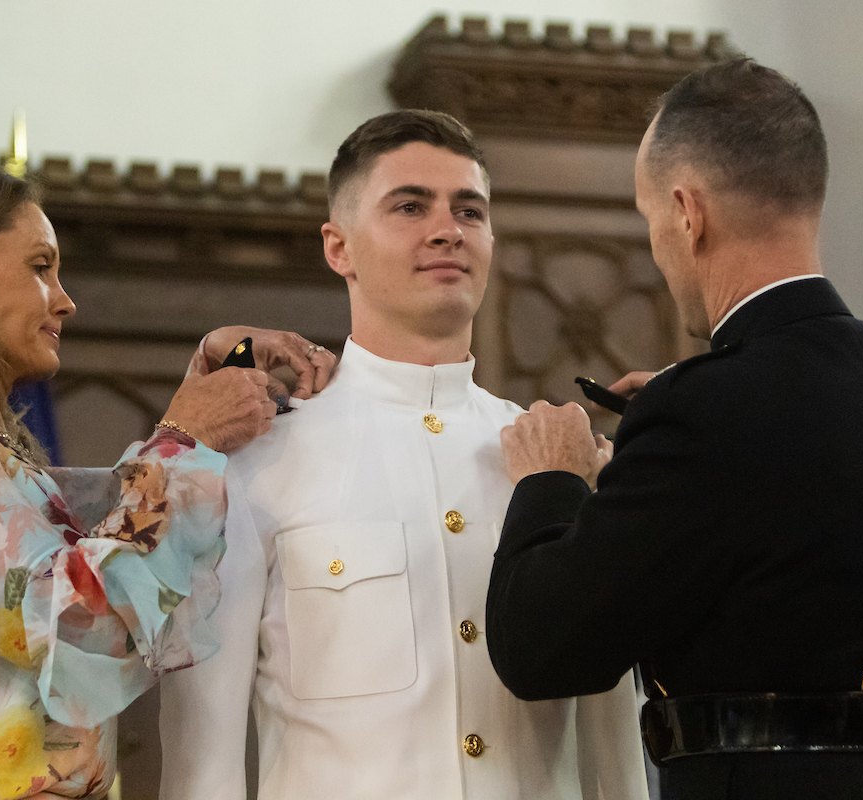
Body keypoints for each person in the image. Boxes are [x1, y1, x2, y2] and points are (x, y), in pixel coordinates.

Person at [487, 59, 863, 800]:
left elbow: (542, 651)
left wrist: (551, 479)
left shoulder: (706, 413)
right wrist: (696, 414)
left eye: (649, 218)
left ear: (687, 212)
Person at [158, 110, 649, 800]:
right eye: (410, 206)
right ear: (340, 247)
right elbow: (202, 761)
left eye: (470, 210)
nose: (447, 228)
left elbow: (610, 733)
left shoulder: (553, 462)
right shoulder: (262, 461)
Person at [0, 164, 333, 799]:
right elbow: (81, 620)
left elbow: (113, 525)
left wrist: (216, 382)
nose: (65, 299)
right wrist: (187, 439)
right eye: (39, 267)